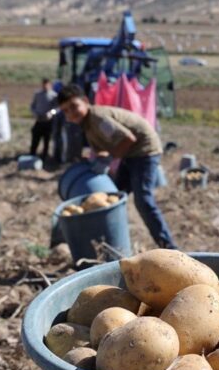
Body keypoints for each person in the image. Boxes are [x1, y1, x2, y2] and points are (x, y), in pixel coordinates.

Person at [56, 84, 177, 249]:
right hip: (130, 154)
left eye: (74, 106)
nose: (71, 113)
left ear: (85, 101)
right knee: (114, 194)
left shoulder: (97, 117)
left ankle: (169, 246)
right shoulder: (86, 125)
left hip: (144, 150)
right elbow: (102, 148)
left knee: (143, 200)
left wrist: (110, 157)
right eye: (65, 111)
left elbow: (128, 139)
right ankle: (109, 241)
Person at [30, 78, 58, 160]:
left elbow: (57, 108)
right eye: (44, 84)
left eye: (47, 85)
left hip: (48, 122)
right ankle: (32, 154)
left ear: (50, 85)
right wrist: (35, 113)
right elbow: (32, 106)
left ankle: (44, 156)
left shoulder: (54, 95)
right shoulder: (37, 94)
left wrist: (51, 113)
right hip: (39, 120)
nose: (45, 86)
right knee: (35, 139)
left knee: (46, 140)